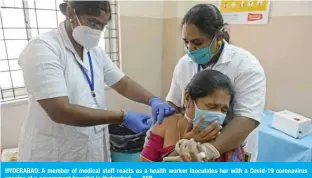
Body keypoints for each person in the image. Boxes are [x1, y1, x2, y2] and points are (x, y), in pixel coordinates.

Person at [17, 1, 174, 162]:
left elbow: (123, 83)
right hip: (55, 153)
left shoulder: (94, 51)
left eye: (102, 26)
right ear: (70, 13)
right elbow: (60, 111)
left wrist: (153, 100)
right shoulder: (42, 48)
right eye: (93, 22)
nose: (97, 30)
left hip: (93, 149)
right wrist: (122, 117)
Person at [165, 4, 266, 161]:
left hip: (230, 150)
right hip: (190, 143)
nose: (190, 48)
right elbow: (173, 104)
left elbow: (247, 119)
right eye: (186, 42)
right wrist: (162, 132)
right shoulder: (184, 64)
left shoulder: (246, 66)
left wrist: (208, 150)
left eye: (197, 42)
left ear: (218, 37)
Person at [141, 70, 245, 162]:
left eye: (223, 110)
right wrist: (184, 146)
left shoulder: (225, 140)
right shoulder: (166, 124)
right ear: (187, 98)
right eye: (212, 106)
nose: (217, 115)